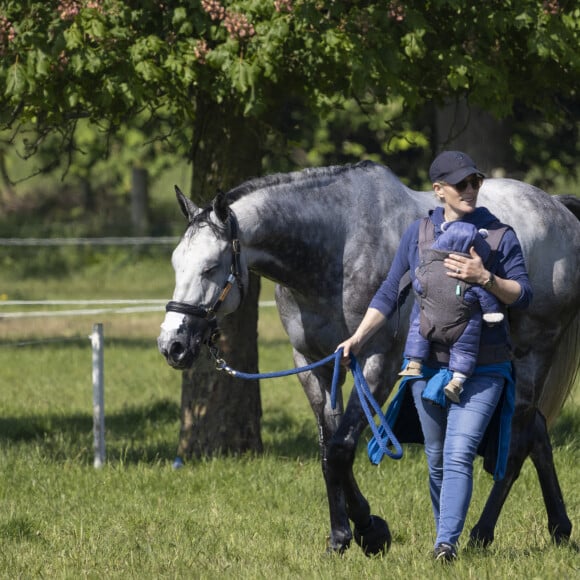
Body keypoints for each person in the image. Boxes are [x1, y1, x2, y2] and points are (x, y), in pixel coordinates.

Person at [336, 150, 532, 561]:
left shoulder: (499, 236)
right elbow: (391, 291)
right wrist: (356, 338)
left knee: (460, 454)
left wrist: (486, 278)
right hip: (427, 368)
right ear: (438, 189)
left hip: (484, 369)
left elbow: (523, 295)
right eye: (461, 184)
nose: (470, 190)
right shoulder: (418, 234)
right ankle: (448, 534)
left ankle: (445, 545)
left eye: (475, 182)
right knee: (438, 459)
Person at [400, 220, 505, 403]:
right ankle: (457, 381)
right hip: (461, 326)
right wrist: (491, 314)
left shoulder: (429, 268)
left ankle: (414, 362)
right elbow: (484, 296)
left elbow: (418, 285)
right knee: (465, 349)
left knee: (419, 325)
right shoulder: (469, 274)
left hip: (429, 321)